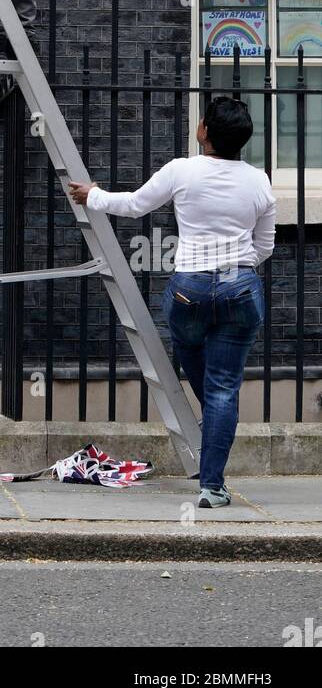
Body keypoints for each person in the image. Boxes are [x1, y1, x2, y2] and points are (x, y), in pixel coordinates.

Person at [67, 96, 275, 509]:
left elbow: (133, 205)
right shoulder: (260, 182)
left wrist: (92, 196)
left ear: (204, 132)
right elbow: (264, 247)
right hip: (240, 289)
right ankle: (213, 488)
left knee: (197, 362)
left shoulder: (183, 170)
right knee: (222, 389)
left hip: (189, 290)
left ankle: (212, 419)